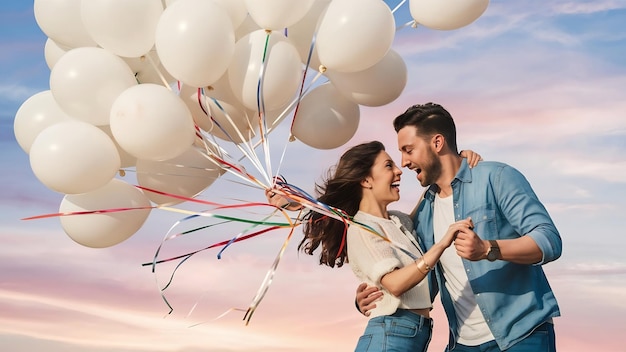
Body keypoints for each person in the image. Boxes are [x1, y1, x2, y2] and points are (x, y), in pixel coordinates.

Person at [356, 103, 562, 352]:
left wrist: (488, 248)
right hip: (463, 344)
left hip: (522, 334)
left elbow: (549, 240)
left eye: (408, 150)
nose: (404, 162)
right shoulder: (423, 213)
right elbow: (415, 272)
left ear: (437, 143)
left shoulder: (495, 177)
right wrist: (374, 297)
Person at [268, 141, 481, 352]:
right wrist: (443, 243)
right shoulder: (362, 228)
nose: (399, 171)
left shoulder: (398, 222)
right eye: (388, 166)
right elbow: (395, 284)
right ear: (366, 180)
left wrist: (457, 161)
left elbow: (430, 198)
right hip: (390, 336)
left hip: (410, 335)